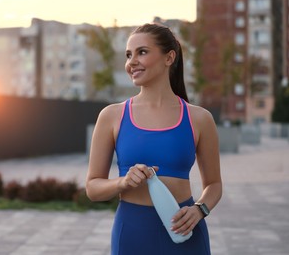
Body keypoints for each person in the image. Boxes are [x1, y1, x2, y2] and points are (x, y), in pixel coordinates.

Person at [86, 23, 222, 254]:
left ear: (169, 57)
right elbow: (92, 187)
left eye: (142, 52)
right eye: (129, 55)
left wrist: (200, 209)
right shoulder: (112, 116)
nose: (132, 62)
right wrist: (122, 182)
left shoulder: (199, 118)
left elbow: (214, 184)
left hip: (184, 231)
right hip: (132, 233)